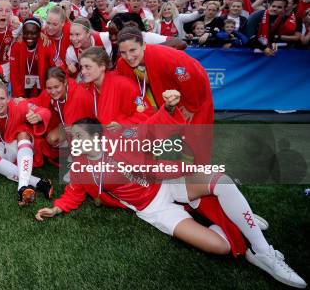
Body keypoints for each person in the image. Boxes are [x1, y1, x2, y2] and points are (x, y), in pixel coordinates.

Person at [36, 119, 307, 289]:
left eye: (80, 138)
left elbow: (153, 136)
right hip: (153, 210)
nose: (75, 144)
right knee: (221, 247)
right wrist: (56, 208)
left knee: (221, 180)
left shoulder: (121, 142)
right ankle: (237, 218)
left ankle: (263, 252)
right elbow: (74, 193)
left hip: (167, 182)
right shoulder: (81, 167)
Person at [0, 82, 53, 205]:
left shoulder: (19, 105)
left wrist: (38, 116)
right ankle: (39, 183)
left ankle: (22, 187)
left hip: (21, 143)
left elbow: (44, 111)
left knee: (22, 133)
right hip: (2, 145)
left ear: (8, 98)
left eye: (2, 98)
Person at [9, 17, 56, 98]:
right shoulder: (17, 46)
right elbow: (14, 74)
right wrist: (20, 96)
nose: (29, 36)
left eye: (33, 33)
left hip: (44, 92)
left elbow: (55, 67)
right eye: (26, 33)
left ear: (39, 33)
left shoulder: (46, 44)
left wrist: (49, 93)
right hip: (23, 93)